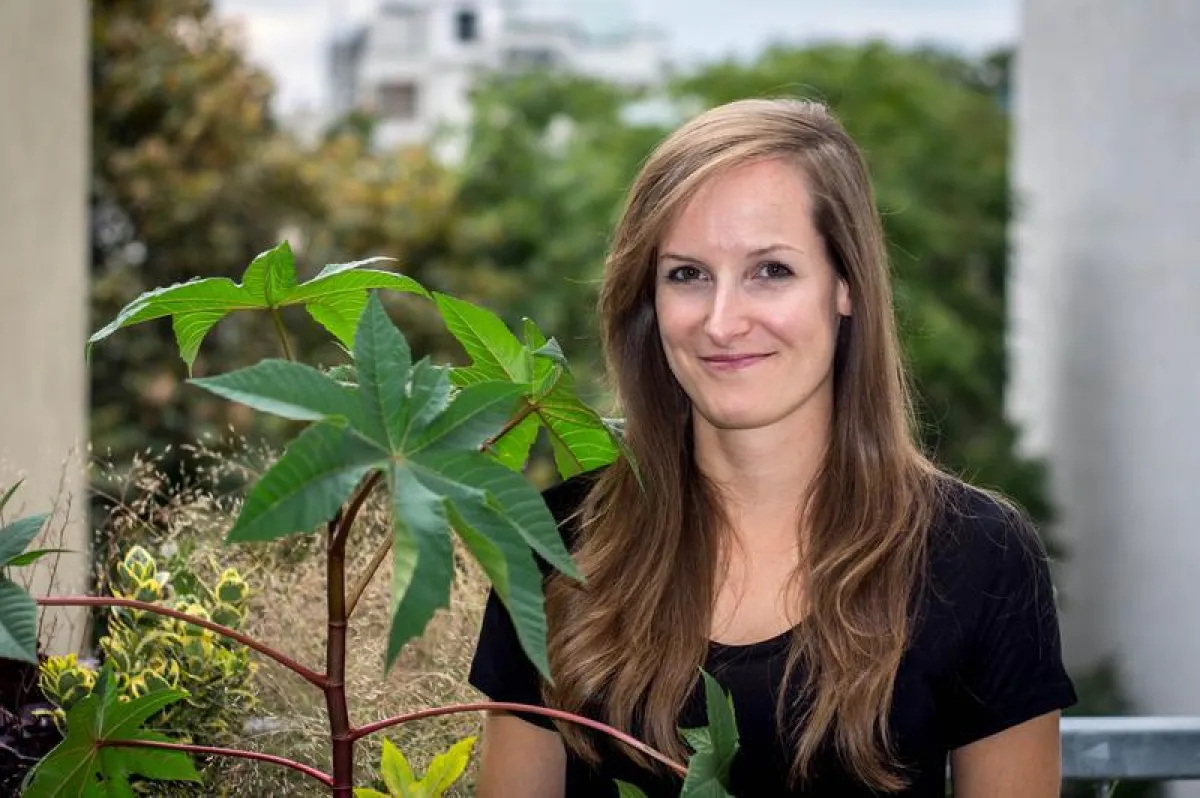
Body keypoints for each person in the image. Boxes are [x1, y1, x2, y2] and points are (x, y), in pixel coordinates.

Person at [468, 97, 1077, 797]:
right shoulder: (555, 545)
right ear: (648, 299)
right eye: (687, 274)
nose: (722, 322)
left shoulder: (980, 555)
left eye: (771, 271)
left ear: (844, 286)